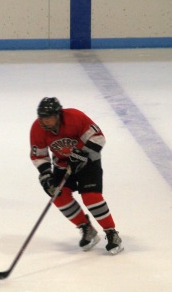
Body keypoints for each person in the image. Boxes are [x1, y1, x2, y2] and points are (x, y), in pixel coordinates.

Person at [30, 97, 123, 255]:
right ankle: (86, 228)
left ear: (58, 115)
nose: (45, 121)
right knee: (57, 195)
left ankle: (111, 233)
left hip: (88, 162)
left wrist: (82, 154)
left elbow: (98, 138)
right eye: (42, 118)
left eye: (49, 117)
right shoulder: (37, 128)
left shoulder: (75, 117)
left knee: (91, 197)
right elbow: (39, 155)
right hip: (62, 164)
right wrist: (46, 175)